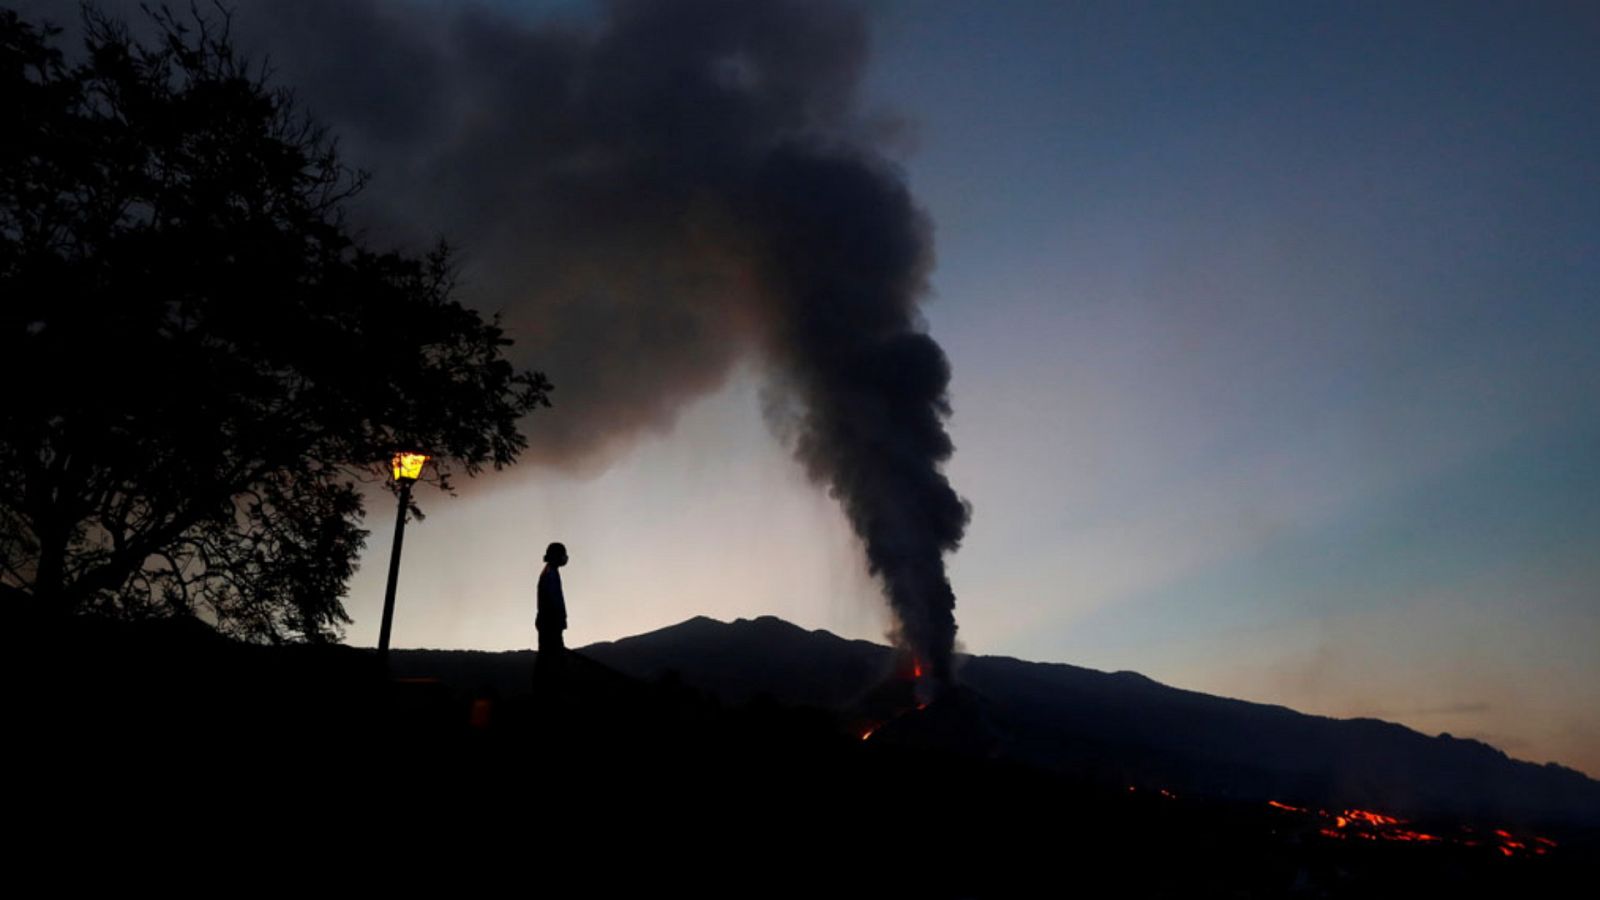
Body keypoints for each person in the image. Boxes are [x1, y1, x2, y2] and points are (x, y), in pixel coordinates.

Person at [535, 542, 568, 679]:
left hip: (547, 622)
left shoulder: (550, 572)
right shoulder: (550, 574)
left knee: (547, 657)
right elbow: (554, 600)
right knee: (551, 659)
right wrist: (560, 619)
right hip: (550, 623)